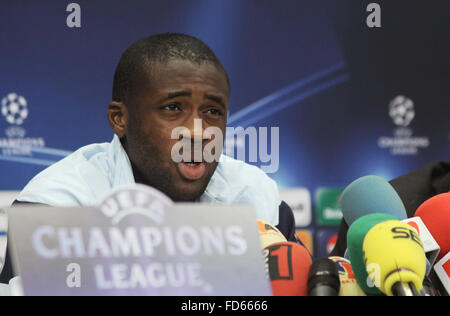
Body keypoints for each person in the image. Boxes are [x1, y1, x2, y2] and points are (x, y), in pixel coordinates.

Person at [0, 33, 300, 283]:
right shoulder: (56, 207)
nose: (198, 132)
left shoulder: (256, 197)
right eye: (173, 108)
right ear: (120, 119)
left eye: (212, 112)